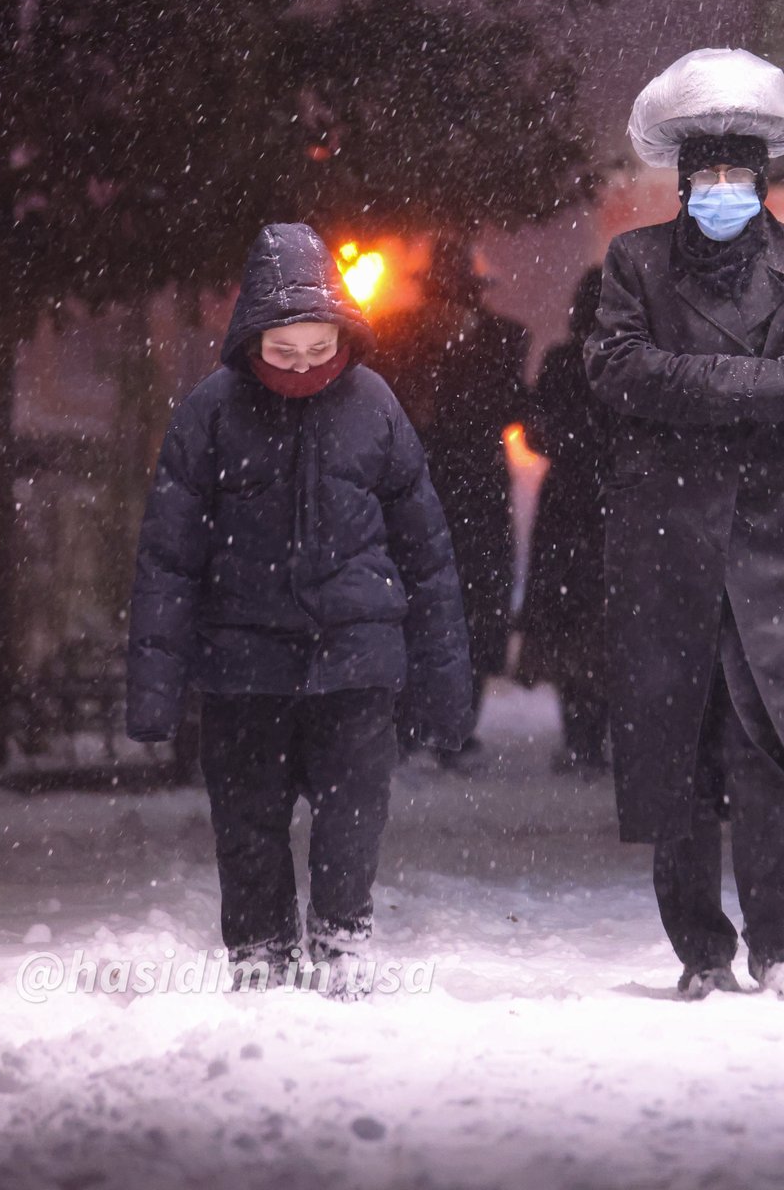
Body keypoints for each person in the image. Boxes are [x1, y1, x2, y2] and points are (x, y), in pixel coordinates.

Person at [126, 223, 472, 998]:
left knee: (353, 817)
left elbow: (428, 554)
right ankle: (259, 949)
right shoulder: (210, 415)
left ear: (342, 334)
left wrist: (448, 690)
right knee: (247, 822)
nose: (304, 367)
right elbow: (168, 562)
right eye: (285, 353)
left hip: (356, 658)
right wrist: (154, 692)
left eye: (319, 350)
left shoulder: (374, 406)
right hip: (243, 663)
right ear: (254, 339)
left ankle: (342, 937)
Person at [584, 48, 784, 1003]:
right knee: (677, 750)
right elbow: (615, 371)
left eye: (741, 175)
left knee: (766, 751)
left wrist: (688, 387)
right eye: (708, 175)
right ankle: (700, 951)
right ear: (683, 181)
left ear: (764, 181)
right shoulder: (635, 262)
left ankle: (781, 944)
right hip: (666, 541)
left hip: (778, 545)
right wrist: (754, 390)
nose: (724, 191)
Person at [375, 235, 527, 764]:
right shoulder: (501, 339)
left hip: (436, 488)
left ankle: (425, 724)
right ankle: (442, 726)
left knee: (441, 606)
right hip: (457, 488)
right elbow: (511, 410)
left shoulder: (398, 338)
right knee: (463, 607)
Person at [517, 266, 610, 774]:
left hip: (567, 505)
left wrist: (567, 445)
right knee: (610, 625)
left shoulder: (560, 362)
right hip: (615, 506)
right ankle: (605, 738)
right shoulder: (633, 363)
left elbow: (536, 433)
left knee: (568, 625)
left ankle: (580, 739)